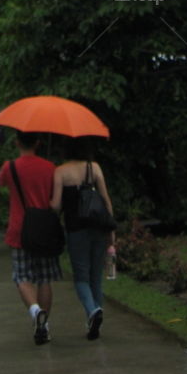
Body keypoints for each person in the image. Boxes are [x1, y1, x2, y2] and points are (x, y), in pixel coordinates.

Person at [0, 131, 61, 346]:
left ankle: (35, 312)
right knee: (44, 278)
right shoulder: (50, 167)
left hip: (19, 230)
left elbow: (1, 182)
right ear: (38, 143)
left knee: (22, 277)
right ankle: (44, 323)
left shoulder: (10, 167)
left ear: (16, 142)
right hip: (44, 230)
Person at [51, 136, 115, 341]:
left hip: (76, 229)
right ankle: (95, 320)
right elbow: (106, 200)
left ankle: (92, 311)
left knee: (81, 277)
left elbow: (56, 206)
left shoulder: (60, 172)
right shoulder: (94, 168)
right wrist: (111, 229)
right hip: (99, 227)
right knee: (96, 277)